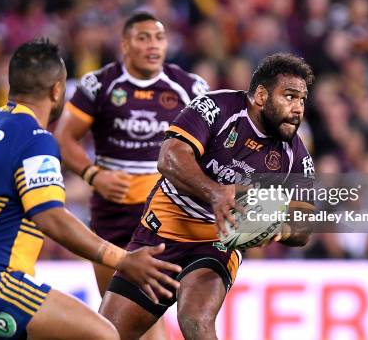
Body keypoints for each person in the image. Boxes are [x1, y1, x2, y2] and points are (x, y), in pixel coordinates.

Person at [0, 39, 181, 340]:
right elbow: (50, 217)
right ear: (56, 90)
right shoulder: (35, 138)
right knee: (102, 335)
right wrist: (123, 260)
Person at [99, 53, 317, 339]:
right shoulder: (217, 107)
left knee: (195, 321)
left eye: (301, 100)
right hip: (164, 228)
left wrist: (279, 227)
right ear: (262, 95)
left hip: (218, 241)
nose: (298, 108)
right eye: (289, 97)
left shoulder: (295, 155)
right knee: (107, 334)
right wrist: (215, 194)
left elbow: (305, 223)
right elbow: (169, 157)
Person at [54, 11, 207, 338]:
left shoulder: (189, 88)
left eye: (159, 37)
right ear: (125, 45)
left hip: (159, 218)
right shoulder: (100, 85)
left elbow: (213, 146)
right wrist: (93, 174)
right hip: (110, 216)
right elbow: (64, 137)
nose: (153, 45)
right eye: (143, 37)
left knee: (140, 317)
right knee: (116, 323)